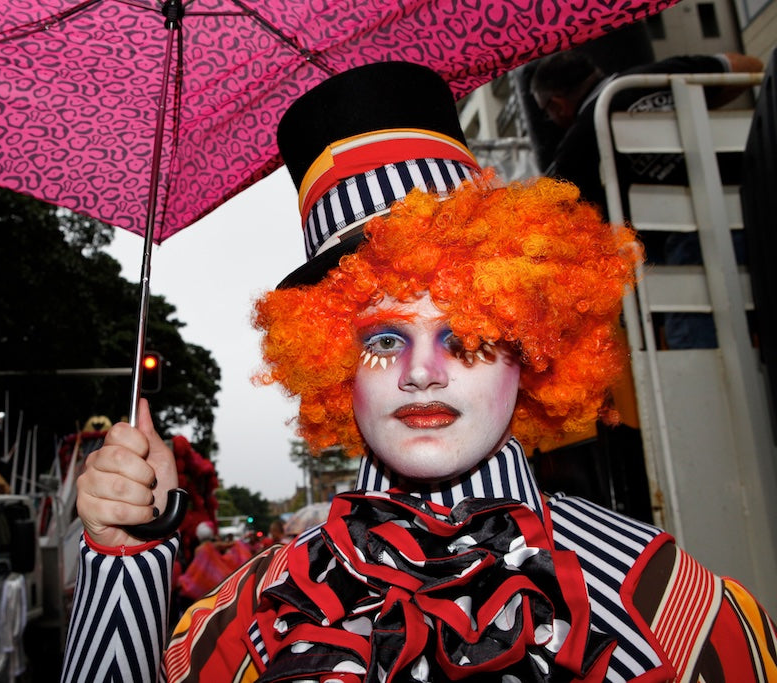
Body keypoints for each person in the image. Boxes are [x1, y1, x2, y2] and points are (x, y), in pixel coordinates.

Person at [62, 62, 776, 682]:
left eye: (464, 331)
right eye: (381, 339)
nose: (422, 373)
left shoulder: (669, 605)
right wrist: (125, 558)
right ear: (336, 366)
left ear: (525, 347)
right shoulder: (247, 617)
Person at [530, 49, 764, 349]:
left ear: (557, 104)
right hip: (751, 207)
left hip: (686, 255)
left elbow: (557, 225)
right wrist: (696, 106)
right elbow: (750, 66)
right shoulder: (656, 76)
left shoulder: (577, 146)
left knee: (694, 348)